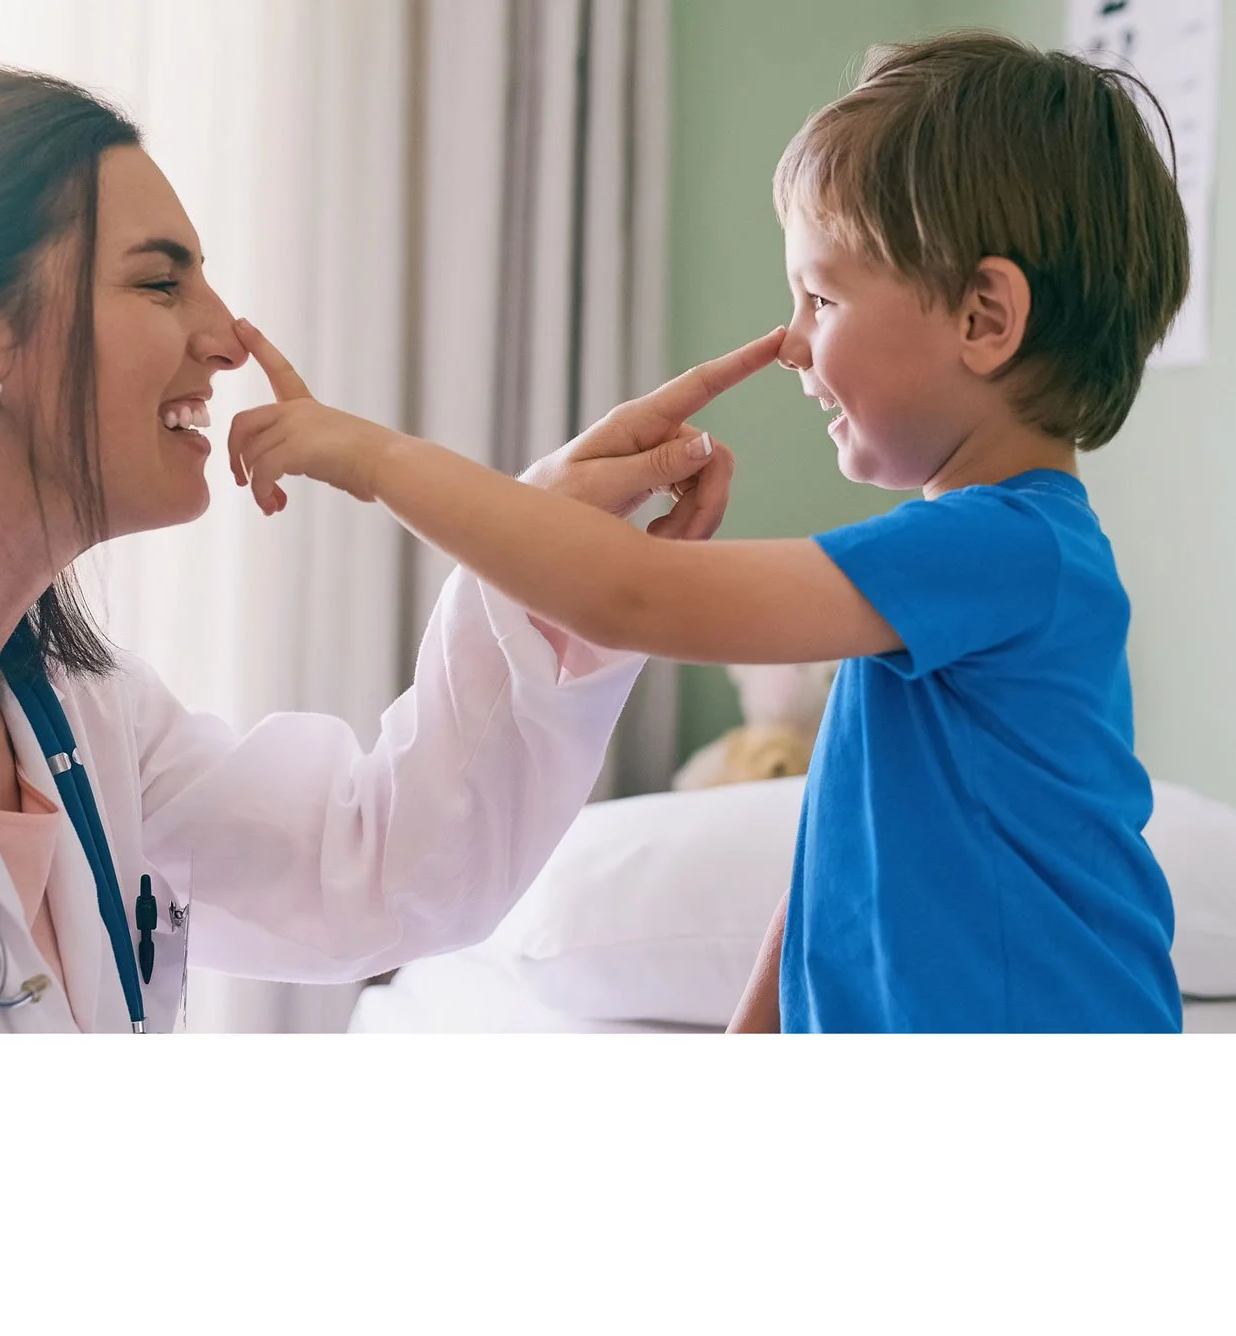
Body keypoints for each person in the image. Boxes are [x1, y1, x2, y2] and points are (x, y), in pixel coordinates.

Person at [0, 65, 778, 1033]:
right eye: (161, 283)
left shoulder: (73, 710)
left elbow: (378, 868)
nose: (226, 339)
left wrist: (551, 552)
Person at [230, 31, 1189, 1034]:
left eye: (820, 296)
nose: (790, 341)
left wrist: (381, 460)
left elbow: (629, 594)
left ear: (986, 318)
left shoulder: (1004, 551)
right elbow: (847, 858)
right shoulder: (965, 558)